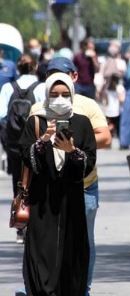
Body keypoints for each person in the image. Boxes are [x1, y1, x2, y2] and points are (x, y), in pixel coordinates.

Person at [30, 56, 111, 296]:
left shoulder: (86, 107)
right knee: (48, 240)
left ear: (74, 76)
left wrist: (74, 145)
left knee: (82, 240)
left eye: (63, 75)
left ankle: (81, 287)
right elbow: (28, 148)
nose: (59, 96)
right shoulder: (37, 110)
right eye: (51, 75)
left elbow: (105, 138)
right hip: (48, 188)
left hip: (84, 185)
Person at [20, 72, 97, 295]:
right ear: (46, 95)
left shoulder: (82, 123)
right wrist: (43, 141)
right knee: (41, 255)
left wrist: (71, 151)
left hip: (72, 202)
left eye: (65, 94)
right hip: (42, 203)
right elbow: (25, 158)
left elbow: (89, 162)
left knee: (71, 257)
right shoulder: (36, 121)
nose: (60, 99)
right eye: (54, 94)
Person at [0, 53, 45, 244]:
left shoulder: (8, 87)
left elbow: (2, 116)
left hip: (14, 145)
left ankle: (20, 225)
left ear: (17, 69)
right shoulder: (42, 87)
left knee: (18, 183)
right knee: (37, 181)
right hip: (37, 143)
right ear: (35, 67)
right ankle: (35, 224)